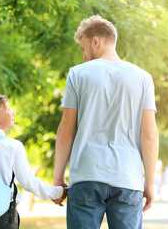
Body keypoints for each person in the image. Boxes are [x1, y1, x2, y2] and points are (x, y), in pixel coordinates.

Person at [53, 15, 159, 229]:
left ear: (95, 41)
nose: (83, 57)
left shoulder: (77, 74)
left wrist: (58, 178)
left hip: (86, 175)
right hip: (128, 179)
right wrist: (149, 182)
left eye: (83, 49)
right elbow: (149, 135)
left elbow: (66, 130)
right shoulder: (143, 78)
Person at [0, 94, 67, 229]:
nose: (13, 113)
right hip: (2, 218)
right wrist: (59, 192)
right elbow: (28, 182)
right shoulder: (12, 146)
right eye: (8, 110)